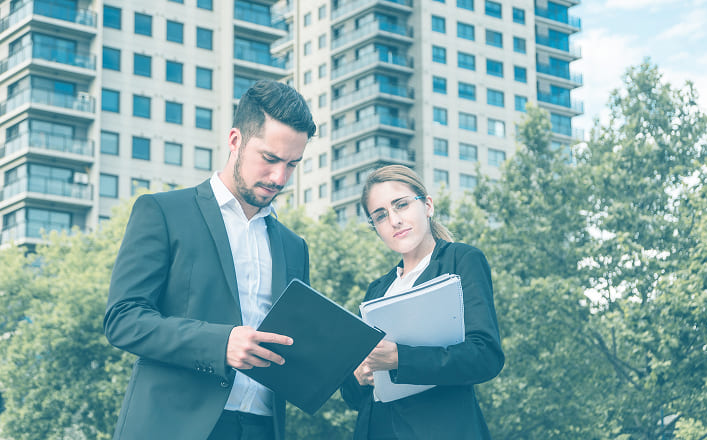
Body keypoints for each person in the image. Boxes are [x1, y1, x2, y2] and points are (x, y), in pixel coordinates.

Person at [104, 79, 316, 440]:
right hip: (174, 428)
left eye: (292, 164)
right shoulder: (163, 212)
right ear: (235, 141)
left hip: (263, 429)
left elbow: (294, 346)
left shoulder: (294, 246)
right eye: (269, 159)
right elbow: (123, 319)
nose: (280, 177)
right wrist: (221, 343)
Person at [341, 165, 505, 439]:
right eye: (380, 215)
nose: (394, 220)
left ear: (427, 205)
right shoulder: (376, 291)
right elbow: (354, 398)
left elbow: (485, 356)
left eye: (401, 205)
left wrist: (399, 358)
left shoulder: (460, 260)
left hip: (441, 429)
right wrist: (359, 376)